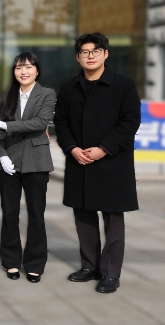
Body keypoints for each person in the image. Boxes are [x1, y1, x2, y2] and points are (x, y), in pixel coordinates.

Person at [54, 32, 140, 294]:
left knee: (113, 219)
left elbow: (130, 122)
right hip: (79, 160)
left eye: (96, 51)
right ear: (78, 57)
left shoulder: (123, 85)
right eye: (85, 52)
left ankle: (111, 273)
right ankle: (89, 266)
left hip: (112, 162)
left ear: (106, 54)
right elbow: (61, 123)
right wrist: (71, 148)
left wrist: (104, 149)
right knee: (83, 216)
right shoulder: (69, 88)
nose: (90, 56)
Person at [0, 53, 56, 283]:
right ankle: (11, 261)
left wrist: (6, 126)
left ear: (37, 70)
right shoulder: (8, 96)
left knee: (36, 214)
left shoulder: (47, 94)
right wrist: (2, 156)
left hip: (37, 161)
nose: (23, 71)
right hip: (9, 162)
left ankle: (35, 264)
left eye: (28, 67)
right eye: (19, 68)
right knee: (10, 214)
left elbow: (39, 123)